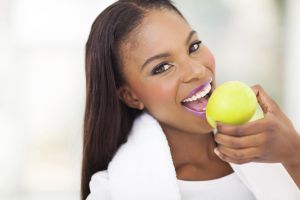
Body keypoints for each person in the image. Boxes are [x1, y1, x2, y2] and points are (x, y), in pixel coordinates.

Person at [81, 0, 300, 199]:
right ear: (131, 96)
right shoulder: (114, 192)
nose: (196, 70)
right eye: (162, 67)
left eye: (193, 47)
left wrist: (294, 154)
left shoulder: (278, 150)